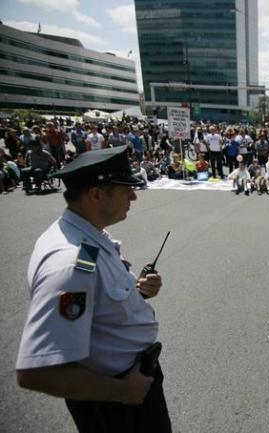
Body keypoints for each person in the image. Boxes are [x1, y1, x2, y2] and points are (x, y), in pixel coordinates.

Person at [15, 146, 172, 433]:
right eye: (126, 190)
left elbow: (95, 299)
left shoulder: (88, 236)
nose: (134, 197)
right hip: (116, 403)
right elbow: (36, 371)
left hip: (128, 387)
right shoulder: (70, 262)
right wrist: (122, 392)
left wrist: (137, 292)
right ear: (96, 194)